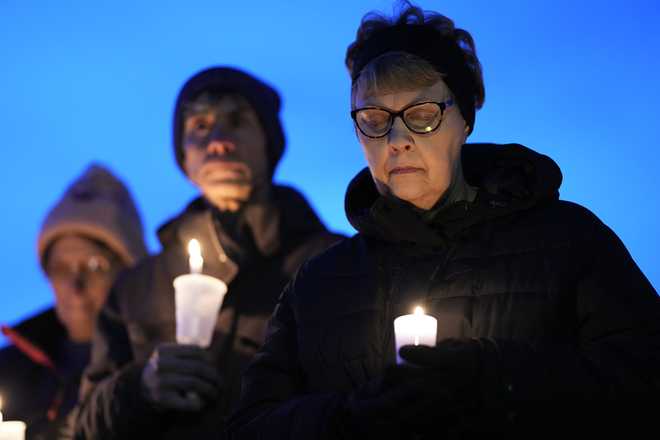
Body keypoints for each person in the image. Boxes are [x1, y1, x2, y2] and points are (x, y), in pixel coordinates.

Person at [226, 3, 660, 439]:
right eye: (375, 120)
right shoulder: (318, 285)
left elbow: (645, 381)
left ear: (465, 119)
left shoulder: (569, 242)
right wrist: (349, 418)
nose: (397, 141)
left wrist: (493, 380)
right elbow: (249, 426)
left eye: (422, 115)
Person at [73, 66, 344, 439]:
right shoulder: (136, 288)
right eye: (199, 126)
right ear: (183, 157)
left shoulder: (332, 266)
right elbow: (85, 425)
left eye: (237, 122)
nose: (218, 141)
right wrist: (141, 388)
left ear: (270, 142)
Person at [0, 164, 147, 440]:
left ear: (129, 273)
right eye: (61, 267)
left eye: (94, 266)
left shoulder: (151, 367)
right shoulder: (10, 369)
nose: (75, 286)